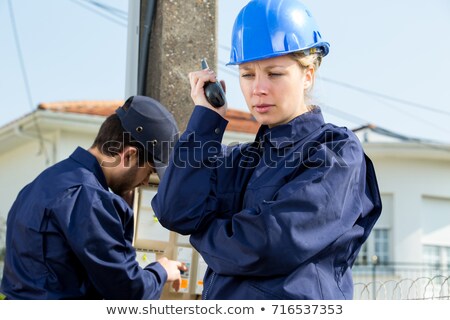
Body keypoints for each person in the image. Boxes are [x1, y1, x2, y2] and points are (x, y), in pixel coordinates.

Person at [151, 0, 382, 300]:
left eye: (274, 74)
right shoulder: (240, 159)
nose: (258, 88)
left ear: (308, 74)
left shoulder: (336, 151)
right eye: (247, 74)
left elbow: (271, 243)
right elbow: (175, 211)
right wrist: (205, 122)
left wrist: (203, 232)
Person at [0, 95, 186, 299]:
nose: (144, 182)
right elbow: (127, 292)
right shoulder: (89, 198)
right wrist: (161, 271)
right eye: (149, 171)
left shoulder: (40, 184)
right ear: (129, 155)